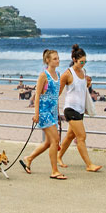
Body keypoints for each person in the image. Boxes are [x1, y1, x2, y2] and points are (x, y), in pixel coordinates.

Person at [19, 50, 66, 179]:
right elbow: (38, 95)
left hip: (53, 112)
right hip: (44, 112)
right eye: (55, 59)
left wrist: (58, 113)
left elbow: (56, 96)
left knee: (48, 142)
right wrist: (36, 114)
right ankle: (54, 171)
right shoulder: (43, 76)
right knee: (55, 141)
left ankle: (29, 158)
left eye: (58, 58)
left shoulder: (58, 74)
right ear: (48, 61)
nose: (58, 60)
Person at [57, 44, 102, 172]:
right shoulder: (67, 74)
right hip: (70, 109)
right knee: (81, 137)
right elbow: (58, 93)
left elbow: (83, 87)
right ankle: (89, 165)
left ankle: (59, 156)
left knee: (70, 136)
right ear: (74, 59)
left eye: (85, 61)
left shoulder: (83, 72)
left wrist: (88, 83)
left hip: (80, 110)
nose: (83, 64)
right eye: (81, 61)